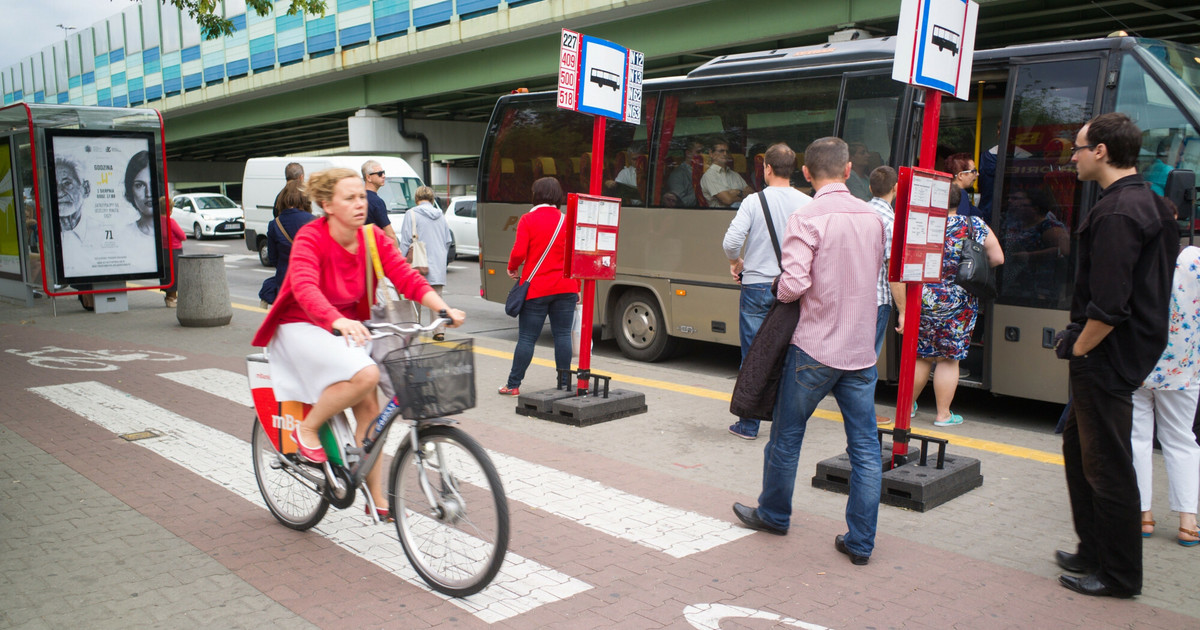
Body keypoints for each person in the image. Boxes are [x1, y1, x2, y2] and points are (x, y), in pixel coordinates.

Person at [251, 168, 465, 522]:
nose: (359, 204)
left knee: (370, 405)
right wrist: (336, 319)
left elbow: (405, 276)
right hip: (301, 324)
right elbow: (304, 287)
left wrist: (440, 307)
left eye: (361, 197)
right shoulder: (311, 237)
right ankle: (307, 429)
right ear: (327, 204)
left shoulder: (372, 239)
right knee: (366, 375)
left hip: (349, 329)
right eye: (349, 198)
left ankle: (376, 497)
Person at [730, 137, 887, 566]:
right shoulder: (873, 219)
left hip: (813, 349)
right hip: (859, 352)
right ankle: (860, 542)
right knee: (865, 450)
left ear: (806, 173)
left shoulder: (807, 216)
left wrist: (779, 289)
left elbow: (795, 284)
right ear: (849, 168)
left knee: (786, 438)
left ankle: (775, 514)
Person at [1054, 112, 1178, 599]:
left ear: (1101, 151)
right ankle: (1092, 550)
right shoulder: (1150, 202)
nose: (1073, 157)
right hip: (1120, 353)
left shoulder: (1117, 213)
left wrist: (1080, 351)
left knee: (1107, 465)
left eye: (1079, 148)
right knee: (1079, 450)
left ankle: (1119, 575)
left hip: (1106, 356)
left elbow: (1109, 305)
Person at [722, 143, 812, 440]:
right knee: (788, 354)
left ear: (767, 168)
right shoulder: (807, 202)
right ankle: (786, 425)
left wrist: (737, 262)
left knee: (754, 355)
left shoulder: (753, 201)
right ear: (795, 169)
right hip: (792, 286)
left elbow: (731, 242)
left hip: (757, 285)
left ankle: (748, 424)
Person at [897, 185, 1003, 427]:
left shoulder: (924, 225)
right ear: (960, 201)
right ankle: (943, 415)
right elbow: (998, 258)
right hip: (960, 300)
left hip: (924, 298)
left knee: (922, 356)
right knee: (948, 359)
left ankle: (908, 407)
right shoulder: (975, 225)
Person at [1132, 244, 1200, 547]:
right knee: (1182, 439)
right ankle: (1189, 522)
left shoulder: (1140, 254)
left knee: (1137, 438)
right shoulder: (1195, 258)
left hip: (1139, 362)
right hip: (1185, 366)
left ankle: (1143, 515)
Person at [500, 177, 581, 396]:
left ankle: (513, 384)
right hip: (566, 287)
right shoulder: (567, 220)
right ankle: (564, 384)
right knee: (563, 335)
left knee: (527, 338)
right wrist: (578, 287)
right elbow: (575, 257)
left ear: (536, 194)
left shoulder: (528, 219)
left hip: (537, 288)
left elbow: (518, 252)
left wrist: (512, 267)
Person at [397, 186, 453, 338]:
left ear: (416, 199)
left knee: (415, 295)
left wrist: (401, 261)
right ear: (432, 199)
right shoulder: (440, 215)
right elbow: (448, 240)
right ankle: (439, 331)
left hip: (418, 262)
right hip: (438, 261)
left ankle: (415, 329)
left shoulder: (411, 213)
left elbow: (406, 239)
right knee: (437, 296)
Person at [1000, 189, 1069, 303]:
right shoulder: (1016, 223)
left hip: (1039, 285)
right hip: (1014, 282)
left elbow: (1063, 250)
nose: (1019, 208)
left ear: (1035, 209)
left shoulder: (1050, 227)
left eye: (1024, 206)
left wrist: (1028, 256)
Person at [258, 180, 316, 309]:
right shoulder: (315, 221)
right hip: (310, 281)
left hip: (285, 282)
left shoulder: (275, 224)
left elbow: (272, 258)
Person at [868, 166, 898, 360]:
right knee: (869, 359)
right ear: (895, 188)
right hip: (878, 300)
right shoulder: (891, 222)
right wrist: (902, 311)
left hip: (852, 298)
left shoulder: (857, 213)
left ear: (870, 188)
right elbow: (892, 270)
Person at [700, 141, 753, 208]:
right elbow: (727, 200)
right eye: (721, 151)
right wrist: (742, 195)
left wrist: (738, 192)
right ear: (711, 153)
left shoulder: (735, 174)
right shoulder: (709, 176)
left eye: (727, 151)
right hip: (721, 215)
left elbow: (752, 195)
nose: (725, 154)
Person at [361, 160, 398, 241]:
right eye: (380, 173)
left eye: (384, 172)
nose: (383, 176)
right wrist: (397, 251)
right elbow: (390, 234)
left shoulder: (359, 198)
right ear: (368, 177)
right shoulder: (377, 201)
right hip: (375, 247)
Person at [161, 197, 186, 308]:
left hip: (163, 251)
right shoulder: (170, 221)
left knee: (166, 274)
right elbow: (183, 236)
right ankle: (172, 298)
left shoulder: (156, 222)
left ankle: (168, 296)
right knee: (175, 274)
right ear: (170, 210)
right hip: (174, 250)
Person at [123, 151, 155, 238]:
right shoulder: (125, 235)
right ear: (130, 190)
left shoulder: (170, 229)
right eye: (139, 185)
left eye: (153, 184)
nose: (148, 193)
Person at [663, 141, 702, 207]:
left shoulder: (702, 170)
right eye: (698, 152)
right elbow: (679, 203)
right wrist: (701, 192)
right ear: (688, 153)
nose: (702, 155)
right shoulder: (678, 174)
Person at [945, 153, 980, 219]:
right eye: (974, 171)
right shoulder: (961, 195)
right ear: (960, 175)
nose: (977, 174)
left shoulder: (945, 192)